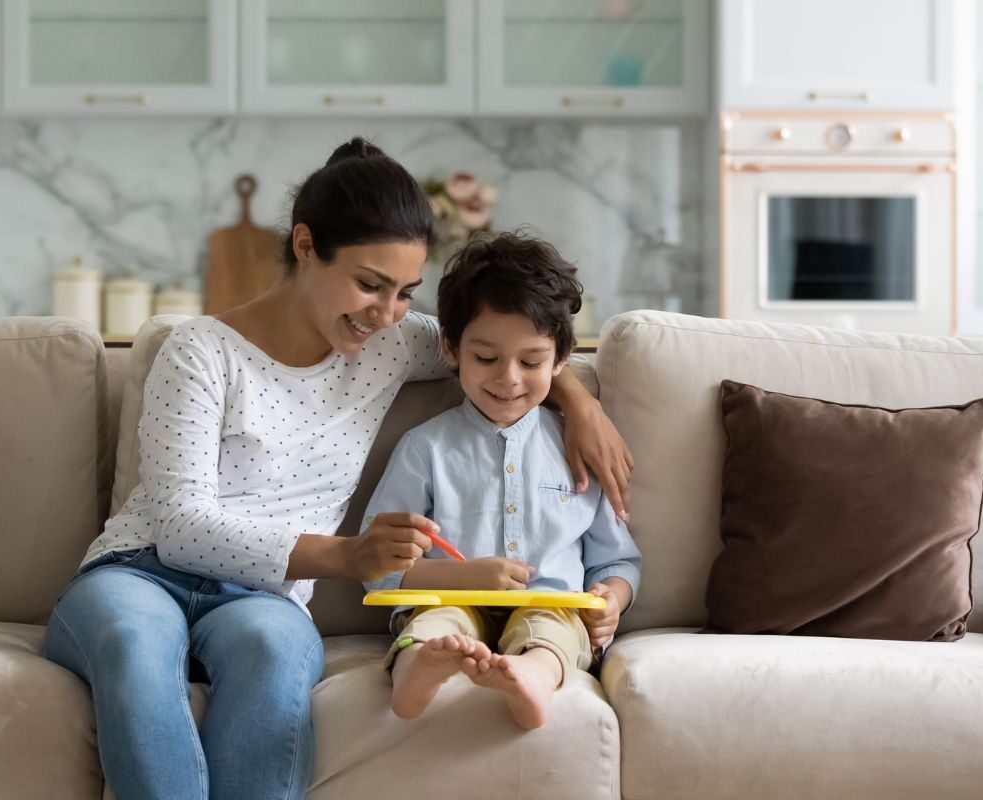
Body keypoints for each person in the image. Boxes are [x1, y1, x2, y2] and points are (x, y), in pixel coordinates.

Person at [40, 139, 635, 799]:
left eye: (406, 292)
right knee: (133, 644)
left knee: (274, 655)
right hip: (142, 571)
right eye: (369, 284)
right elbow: (180, 527)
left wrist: (578, 400)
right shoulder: (200, 353)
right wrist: (350, 555)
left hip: (262, 598)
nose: (385, 311)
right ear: (304, 245)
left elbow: (505, 352)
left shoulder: (389, 342)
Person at [364, 231, 642, 730]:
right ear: (451, 348)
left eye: (531, 362)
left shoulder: (578, 448)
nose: (508, 378)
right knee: (435, 627)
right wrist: (461, 579)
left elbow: (617, 558)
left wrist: (612, 600)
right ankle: (416, 671)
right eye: (486, 358)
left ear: (560, 361)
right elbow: (378, 567)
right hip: (449, 603)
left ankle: (532, 675)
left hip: (552, 608)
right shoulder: (424, 449)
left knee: (549, 630)